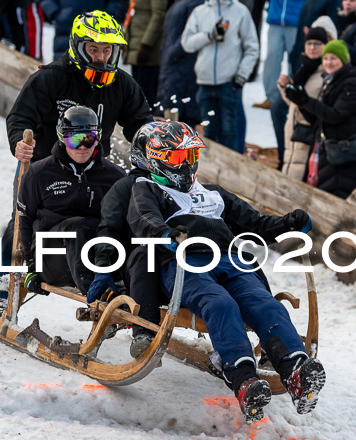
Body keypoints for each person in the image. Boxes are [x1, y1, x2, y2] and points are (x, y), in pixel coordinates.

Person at [125, 122, 325, 422]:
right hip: (183, 263)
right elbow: (143, 219)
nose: (188, 165)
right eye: (180, 158)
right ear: (157, 160)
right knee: (220, 304)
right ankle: (243, 377)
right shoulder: (149, 188)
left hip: (230, 260)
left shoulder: (213, 193)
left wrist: (286, 224)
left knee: (263, 303)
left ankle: (295, 368)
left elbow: (255, 222)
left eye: (192, 156)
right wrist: (166, 233)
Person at [0, 10, 153, 319]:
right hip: (44, 168)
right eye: (93, 49)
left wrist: (152, 149)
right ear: (77, 45)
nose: (101, 56)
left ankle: (107, 284)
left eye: (107, 50)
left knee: (105, 224)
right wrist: (20, 144)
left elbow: (140, 124)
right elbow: (20, 117)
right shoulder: (51, 77)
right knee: (20, 224)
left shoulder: (122, 84)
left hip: (94, 168)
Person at [88, 121, 206, 357]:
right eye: (172, 156)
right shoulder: (126, 187)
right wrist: (104, 270)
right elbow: (109, 230)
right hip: (138, 271)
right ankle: (144, 332)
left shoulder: (184, 187)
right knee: (146, 254)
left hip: (179, 265)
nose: (181, 163)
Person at [15, 106, 125, 300]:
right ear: (61, 138)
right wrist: (31, 266)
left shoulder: (114, 176)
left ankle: (123, 289)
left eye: (88, 139)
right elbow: (25, 221)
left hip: (96, 255)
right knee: (76, 227)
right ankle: (98, 296)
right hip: (52, 258)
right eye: (74, 140)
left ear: (98, 137)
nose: (82, 147)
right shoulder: (39, 173)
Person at [285, 40, 356, 198]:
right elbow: (320, 120)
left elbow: (335, 116)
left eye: (334, 58)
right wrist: (301, 104)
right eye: (326, 58)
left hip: (341, 152)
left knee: (336, 196)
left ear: (344, 60)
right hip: (326, 149)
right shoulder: (330, 80)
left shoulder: (352, 83)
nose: (329, 62)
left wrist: (307, 101)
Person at [181, 0, 259, 153]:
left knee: (230, 133)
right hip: (204, 82)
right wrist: (208, 35)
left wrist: (242, 75)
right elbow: (186, 43)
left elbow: (252, 47)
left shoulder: (240, 11)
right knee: (208, 134)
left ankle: (232, 173)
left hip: (229, 83)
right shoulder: (200, 11)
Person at [277, 26, 328, 180]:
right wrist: (284, 87)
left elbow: (318, 108)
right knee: (289, 169)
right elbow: (295, 103)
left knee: (299, 176)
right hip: (292, 129)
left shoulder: (325, 74)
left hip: (308, 132)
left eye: (317, 44)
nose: (313, 48)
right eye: (309, 44)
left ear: (325, 46)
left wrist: (303, 101)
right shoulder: (304, 69)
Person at [156, 0, 204, 125]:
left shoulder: (194, 5)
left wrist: (173, 53)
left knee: (182, 110)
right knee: (171, 106)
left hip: (182, 64)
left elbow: (190, 35)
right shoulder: (181, 4)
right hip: (173, 63)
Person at [253, 0, 305, 111]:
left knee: (295, 60)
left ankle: (294, 97)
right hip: (275, 19)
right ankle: (271, 97)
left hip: (296, 20)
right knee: (272, 59)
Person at [39, 1, 123, 60]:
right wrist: (54, 12)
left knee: (96, 69)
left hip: (98, 29)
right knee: (63, 71)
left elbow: (115, 2)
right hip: (66, 27)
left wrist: (107, 15)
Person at [123, 0, 167, 111]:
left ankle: (149, 124)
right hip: (135, 45)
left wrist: (146, 44)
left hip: (146, 48)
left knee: (145, 93)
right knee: (137, 91)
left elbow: (158, 15)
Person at [288, 0, 340, 74]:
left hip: (319, 64)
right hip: (302, 53)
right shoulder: (307, 2)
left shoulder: (331, 2)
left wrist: (313, 32)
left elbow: (331, 30)